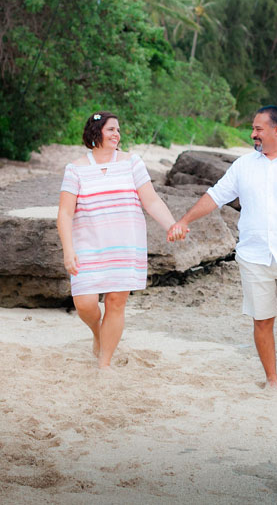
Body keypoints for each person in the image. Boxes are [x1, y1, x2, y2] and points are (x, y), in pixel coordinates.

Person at [167, 105, 277, 389]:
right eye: (253, 128)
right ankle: (272, 380)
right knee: (262, 320)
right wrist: (185, 220)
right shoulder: (243, 166)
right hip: (253, 256)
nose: (253, 134)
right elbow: (215, 196)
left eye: (258, 129)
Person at [56, 112, 186, 368]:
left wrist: (171, 224)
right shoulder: (76, 169)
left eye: (118, 130)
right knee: (84, 303)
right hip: (88, 246)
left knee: (116, 303)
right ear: (96, 133)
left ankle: (104, 363)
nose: (117, 134)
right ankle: (97, 332)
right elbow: (64, 213)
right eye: (111, 129)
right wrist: (67, 250)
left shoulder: (131, 163)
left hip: (125, 245)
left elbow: (151, 200)